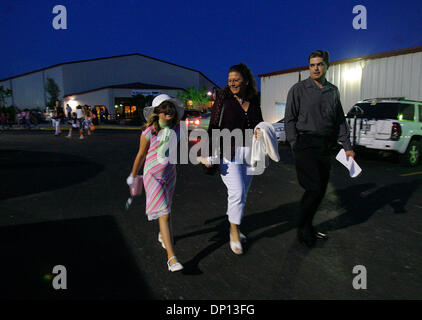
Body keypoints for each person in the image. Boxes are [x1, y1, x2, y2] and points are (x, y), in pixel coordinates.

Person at [285, 50, 355, 248]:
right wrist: (294, 143)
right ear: (309, 67)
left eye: (319, 64)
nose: (316, 68)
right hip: (305, 144)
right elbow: (289, 118)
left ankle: (307, 225)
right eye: (312, 65)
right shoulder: (298, 89)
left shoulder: (333, 91)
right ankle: (303, 227)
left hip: (326, 145)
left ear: (327, 66)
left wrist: (347, 146)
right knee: (314, 188)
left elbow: (339, 119)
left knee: (321, 189)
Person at [201, 63, 263, 255]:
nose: (232, 83)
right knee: (236, 191)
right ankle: (234, 231)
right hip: (228, 152)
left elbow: (258, 123)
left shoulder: (254, 100)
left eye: (236, 80)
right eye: (229, 80)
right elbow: (214, 126)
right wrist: (210, 152)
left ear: (245, 81)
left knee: (242, 193)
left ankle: (233, 225)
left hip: (250, 153)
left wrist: (259, 133)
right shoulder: (223, 99)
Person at [127, 94, 185, 272]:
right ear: (157, 112)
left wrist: (201, 156)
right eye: (165, 108)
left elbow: (184, 149)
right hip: (152, 176)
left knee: (167, 209)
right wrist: (133, 174)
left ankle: (163, 234)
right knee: (164, 213)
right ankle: (171, 258)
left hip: (170, 175)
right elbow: (141, 155)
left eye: (171, 108)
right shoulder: (148, 132)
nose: (169, 111)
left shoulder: (178, 129)